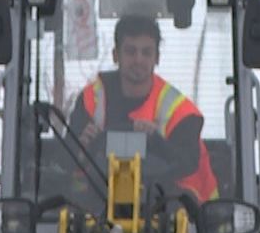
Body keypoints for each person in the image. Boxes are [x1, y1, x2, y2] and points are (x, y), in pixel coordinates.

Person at [68, 14, 218, 202]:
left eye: (146, 52)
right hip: (97, 210)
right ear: (116, 55)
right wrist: (80, 148)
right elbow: (64, 159)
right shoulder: (90, 101)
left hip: (183, 217)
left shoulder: (182, 113)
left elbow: (186, 164)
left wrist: (157, 141)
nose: (138, 60)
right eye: (130, 51)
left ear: (157, 58)